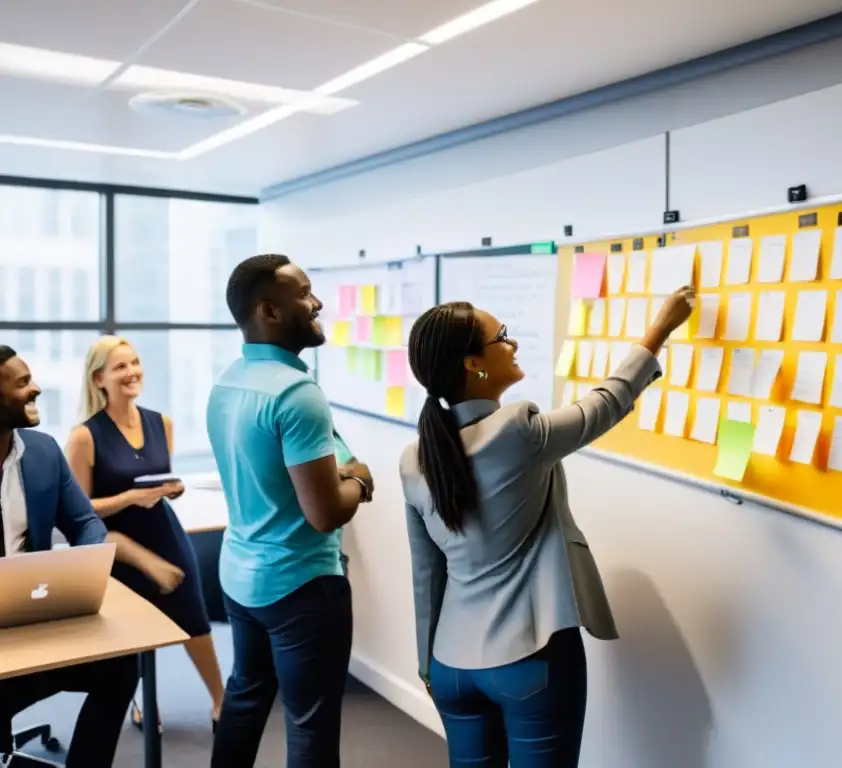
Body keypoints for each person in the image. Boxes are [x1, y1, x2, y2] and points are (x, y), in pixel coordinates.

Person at [400, 287, 695, 767]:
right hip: (529, 660)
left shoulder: (415, 457)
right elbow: (605, 403)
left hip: (451, 665)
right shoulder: (516, 430)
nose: (513, 346)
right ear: (474, 363)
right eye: (503, 337)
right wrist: (659, 328)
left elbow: (425, 573)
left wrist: (427, 663)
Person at [207, 254, 374, 768]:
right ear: (269, 310)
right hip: (301, 587)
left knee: (245, 697)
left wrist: (338, 468)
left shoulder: (228, 381)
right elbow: (325, 513)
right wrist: (362, 482)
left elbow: (302, 460)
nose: (316, 301)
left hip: (240, 577)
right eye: (303, 293)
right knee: (310, 725)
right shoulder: (298, 393)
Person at [65, 336, 225, 733]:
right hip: (115, 543)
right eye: (120, 367)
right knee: (134, 630)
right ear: (99, 378)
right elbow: (76, 509)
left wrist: (170, 489)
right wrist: (129, 498)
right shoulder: (84, 436)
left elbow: (158, 480)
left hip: (164, 531)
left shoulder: (161, 423)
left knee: (193, 617)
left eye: (135, 363)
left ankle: (223, 701)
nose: (132, 372)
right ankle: (144, 701)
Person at [0, 346, 141, 768]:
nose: (36, 388)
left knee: (120, 668)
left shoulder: (42, 452)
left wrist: (85, 565)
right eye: (22, 382)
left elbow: (85, 523)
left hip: (34, 629)